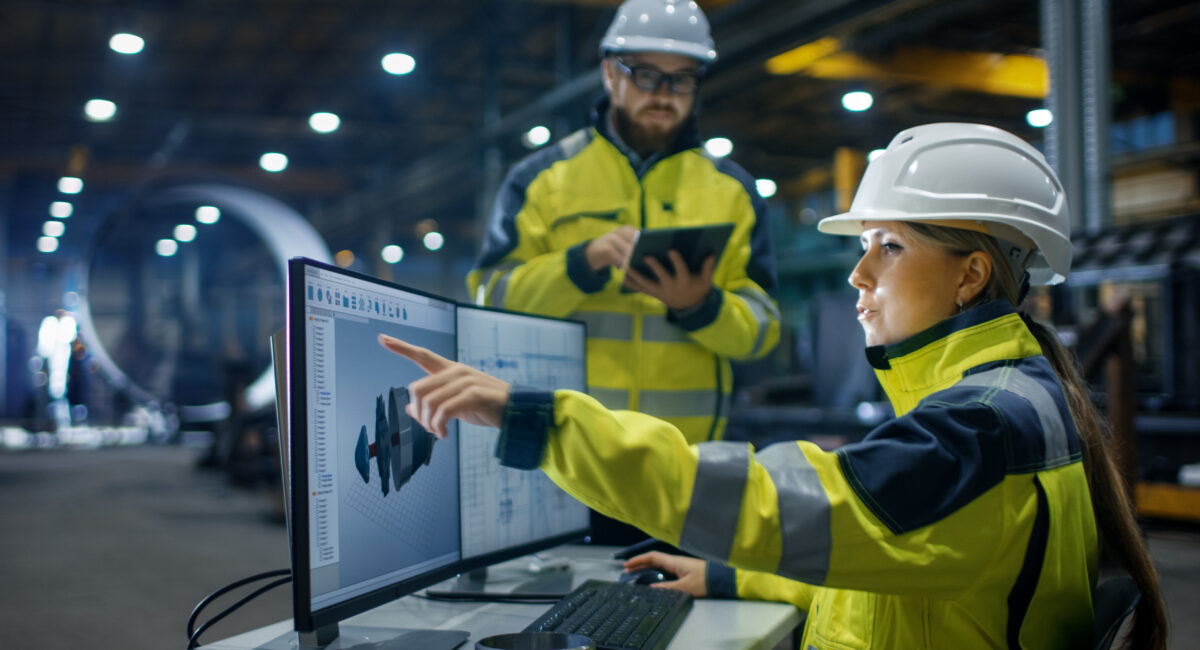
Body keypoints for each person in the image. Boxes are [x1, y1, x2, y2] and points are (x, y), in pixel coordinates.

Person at [382, 123, 1168, 649]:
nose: (859, 274)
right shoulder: (1011, 397)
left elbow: (770, 499)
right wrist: (729, 577)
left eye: (888, 246)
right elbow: (885, 557)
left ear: (971, 274)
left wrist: (534, 419)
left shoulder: (975, 431)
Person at [466, 0, 780, 446]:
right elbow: (489, 300)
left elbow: (763, 330)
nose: (664, 94)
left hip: (684, 460)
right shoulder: (541, 180)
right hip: (569, 452)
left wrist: (701, 306)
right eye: (647, 75)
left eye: (683, 79)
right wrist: (581, 265)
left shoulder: (733, 191)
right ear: (611, 73)